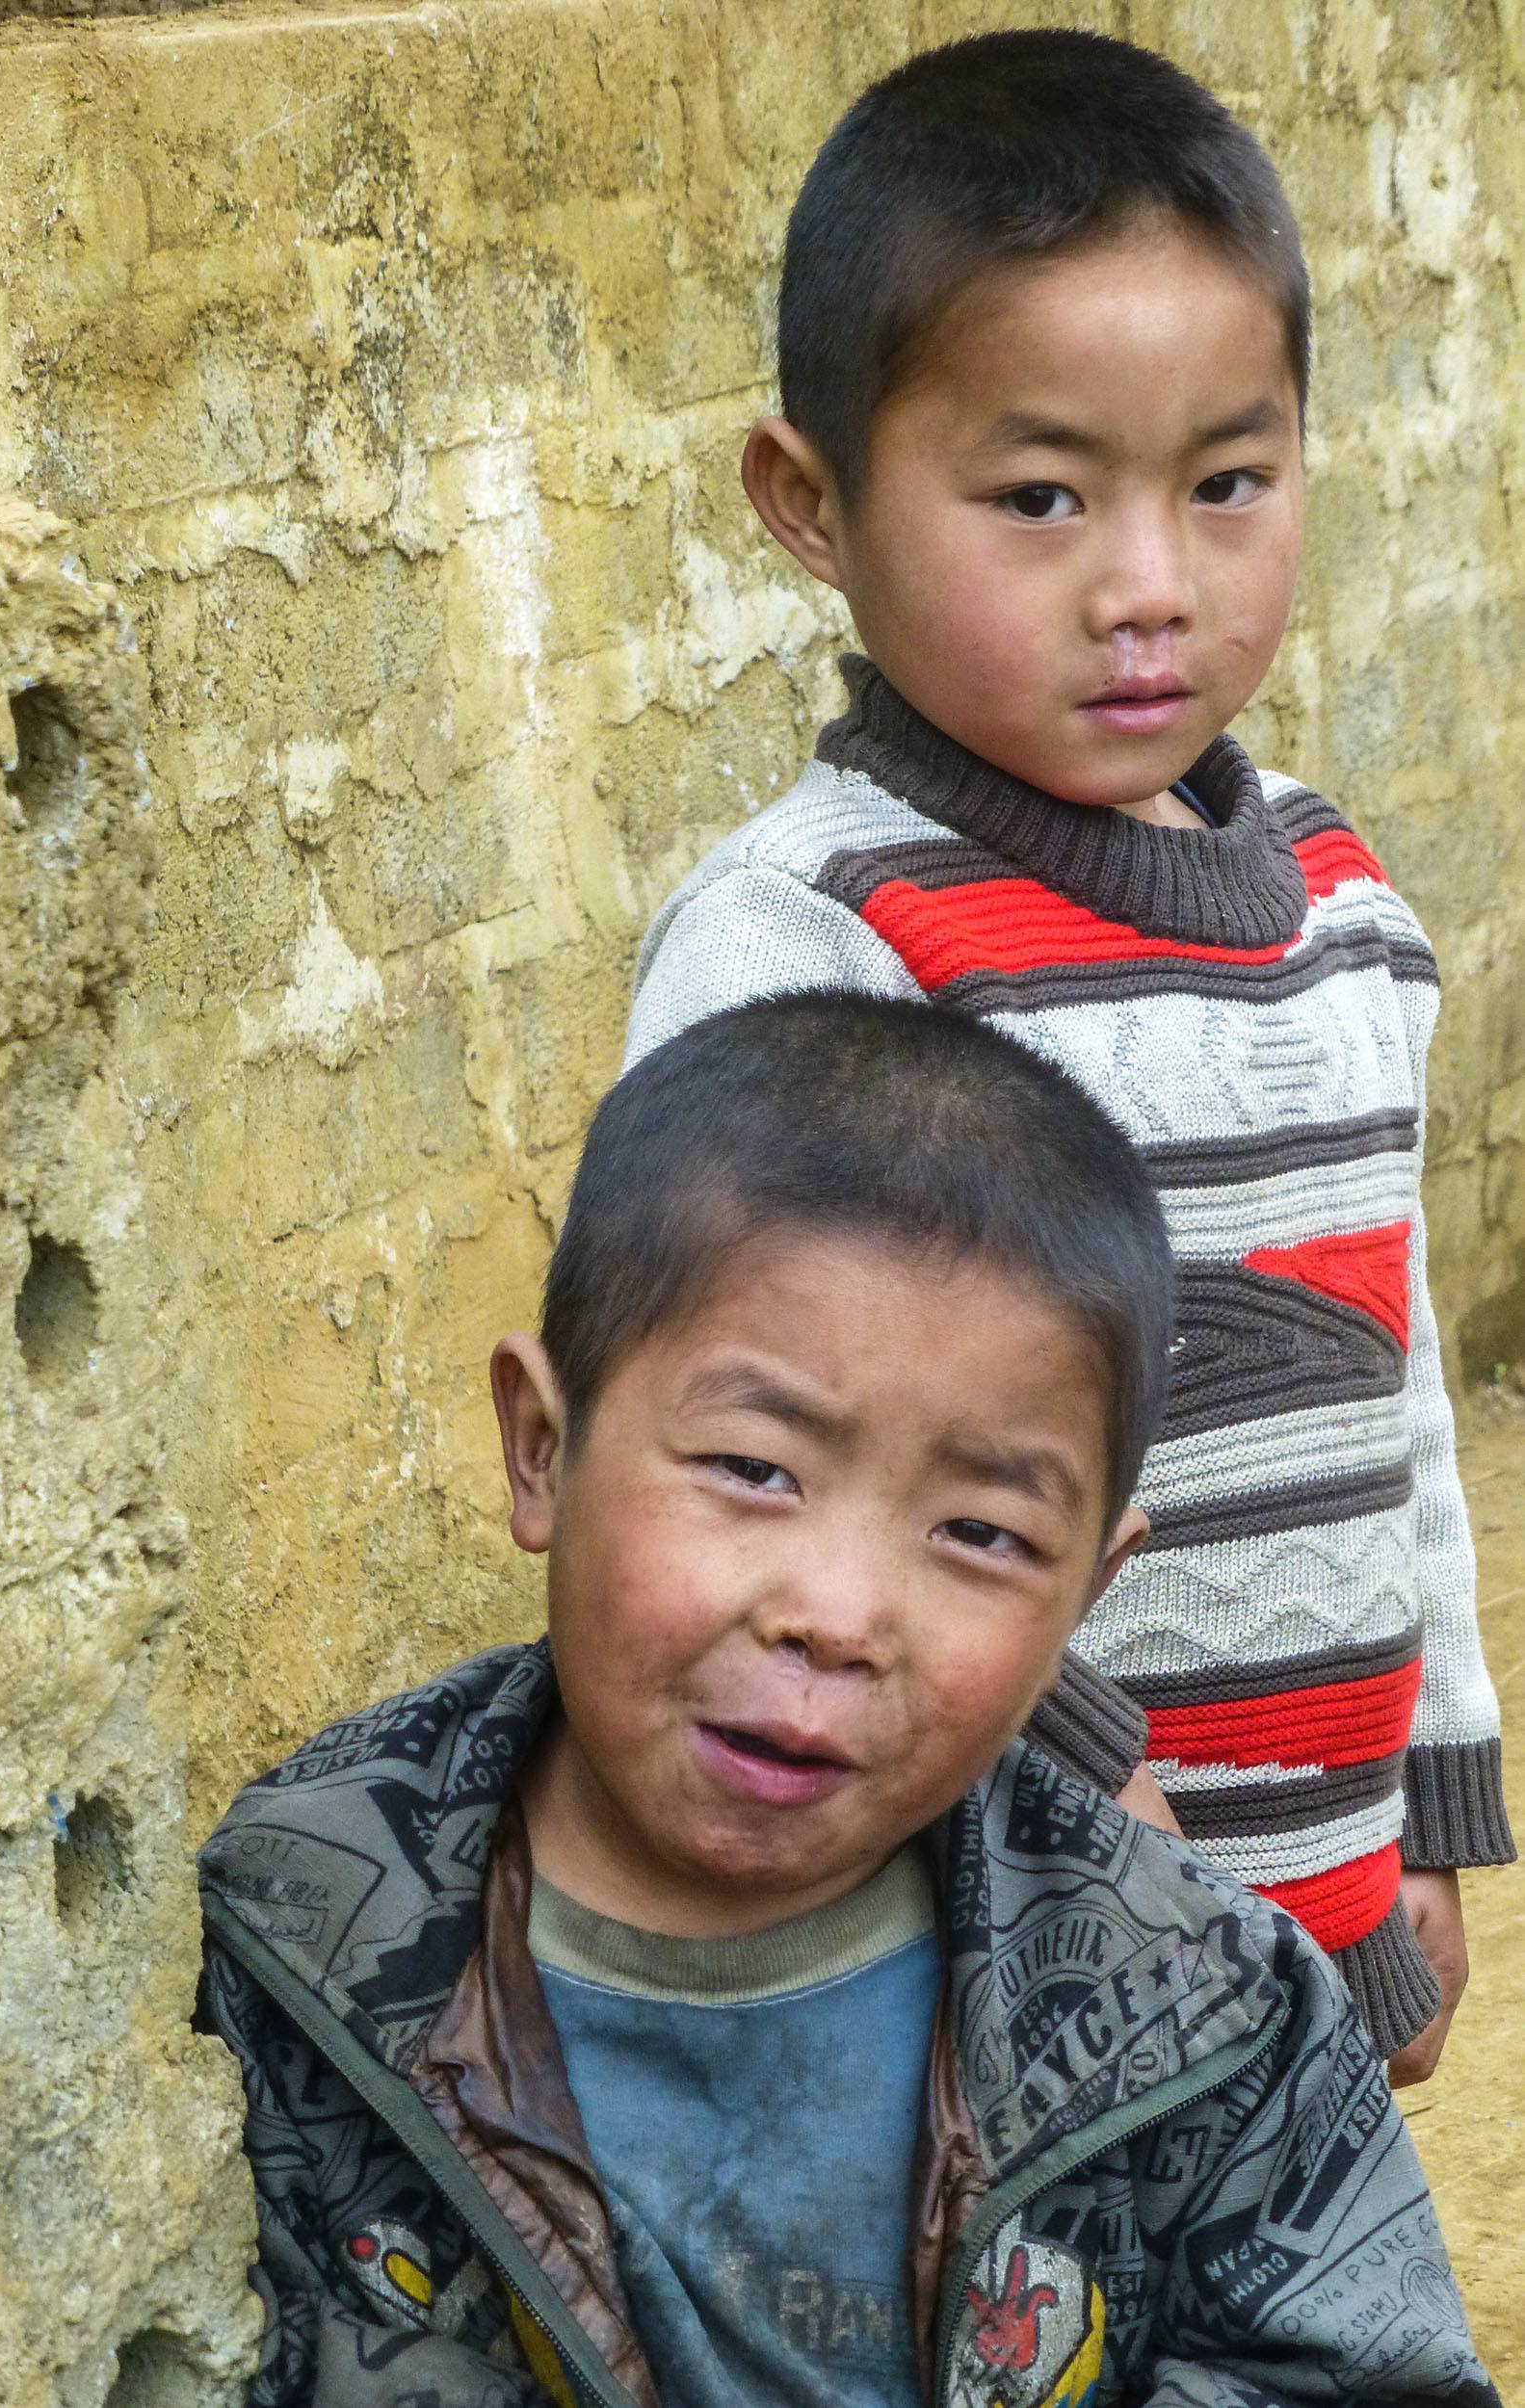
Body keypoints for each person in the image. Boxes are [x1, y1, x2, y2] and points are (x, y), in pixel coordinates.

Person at [198, 993, 1496, 2408]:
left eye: (983, 1536)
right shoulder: (300, 1930)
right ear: (540, 1447)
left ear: (1089, 1595)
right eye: (755, 1469)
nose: (837, 1617)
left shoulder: (1209, 2013)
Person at [623, 27, 1512, 2085]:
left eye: (1229, 484)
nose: (1149, 589)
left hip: (1315, 1931)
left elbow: (1397, 1399)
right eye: (1039, 496)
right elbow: (764, 1473)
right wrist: (1085, 1796)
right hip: (985, 1943)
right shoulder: (821, 945)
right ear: (811, 502)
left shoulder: (1347, 910)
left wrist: (1428, 1817)